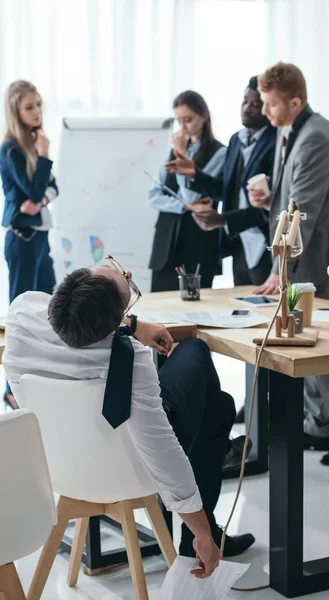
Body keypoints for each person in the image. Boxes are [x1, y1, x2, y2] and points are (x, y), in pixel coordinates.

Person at [3, 256, 255, 569]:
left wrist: (133, 325)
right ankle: (209, 516)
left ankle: (214, 439)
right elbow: (162, 453)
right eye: (125, 281)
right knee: (197, 356)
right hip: (128, 466)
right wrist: (202, 533)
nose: (127, 271)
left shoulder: (22, 312)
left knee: (218, 407)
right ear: (112, 326)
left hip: (58, 465)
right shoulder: (127, 357)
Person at [248, 62, 329, 466]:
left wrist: (279, 269)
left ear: (295, 101)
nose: (264, 111)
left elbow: (304, 211)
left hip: (313, 260)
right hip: (303, 259)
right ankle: (318, 424)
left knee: (320, 348)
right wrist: (271, 202)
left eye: (270, 104)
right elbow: (292, 198)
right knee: (307, 344)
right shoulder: (294, 130)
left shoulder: (316, 136)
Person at [165, 76, 276, 287]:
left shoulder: (275, 141)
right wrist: (194, 174)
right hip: (238, 243)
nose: (247, 109)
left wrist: (223, 219)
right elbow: (224, 190)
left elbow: (271, 205)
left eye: (256, 104)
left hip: (264, 243)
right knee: (243, 308)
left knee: (266, 308)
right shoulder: (237, 139)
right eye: (245, 101)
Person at [0, 80, 58, 410]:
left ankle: (39, 379)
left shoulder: (34, 143)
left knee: (51, 308)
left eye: (39, 105)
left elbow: (52, 189)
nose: (37, 112)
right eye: (29, 107)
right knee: (20, 315)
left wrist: (43, 196)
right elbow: (35, 192)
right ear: (16, 111)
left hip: (40, 238)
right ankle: (10, 388)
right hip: (21, 240)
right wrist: (44, 156)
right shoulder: (10, 149)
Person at [148, 91, 226, 292]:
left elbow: (192, 194)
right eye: (179, 121)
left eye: (188, 120)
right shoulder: (171, 151)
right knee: (160, 306)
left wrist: (181, 155)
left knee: (194, 309)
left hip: (197, 244)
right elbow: (153, 196)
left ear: (204, 115)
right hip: (166, 244)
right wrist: (184, 206)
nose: (183, 127)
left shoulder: (219, 152)